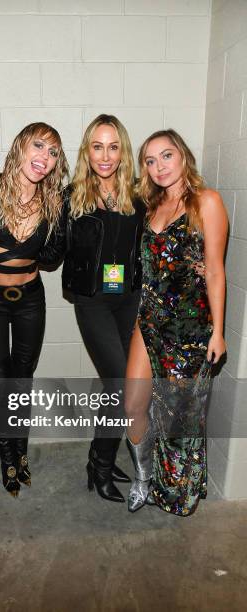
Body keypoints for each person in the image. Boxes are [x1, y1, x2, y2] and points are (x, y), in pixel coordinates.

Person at [125, 129, 227, 516]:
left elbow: (215, 271)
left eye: (166, 156)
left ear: (183, 157)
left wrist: (218, 331)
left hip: (190, 330)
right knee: (133, 405)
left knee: (179, 420)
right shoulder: (149, 207)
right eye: (150, 161)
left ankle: (177, 492)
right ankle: (142, 478)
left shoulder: (207, 202)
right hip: (148, 321)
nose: (158, 167)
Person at [0, 122, 68, 497]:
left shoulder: (53, 201)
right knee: (0, 380)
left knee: (22, 380)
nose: (44, 158)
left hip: (29, 298)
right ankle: (6, 457)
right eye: (39, 146)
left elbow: (50, 259)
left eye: (53, 153)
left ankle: (21, 454)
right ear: (20, 147)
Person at [62, 114, 145, 503]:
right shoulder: (71, 197)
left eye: (113, 147)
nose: (105, 155)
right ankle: (99, 462)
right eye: (98, 146)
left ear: (122, 150)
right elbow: (47, 248)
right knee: (119, 384)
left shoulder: (139, 197)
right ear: (87, 151)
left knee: (128, 386)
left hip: (128, 300)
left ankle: (102, 458)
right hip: (92, 302)